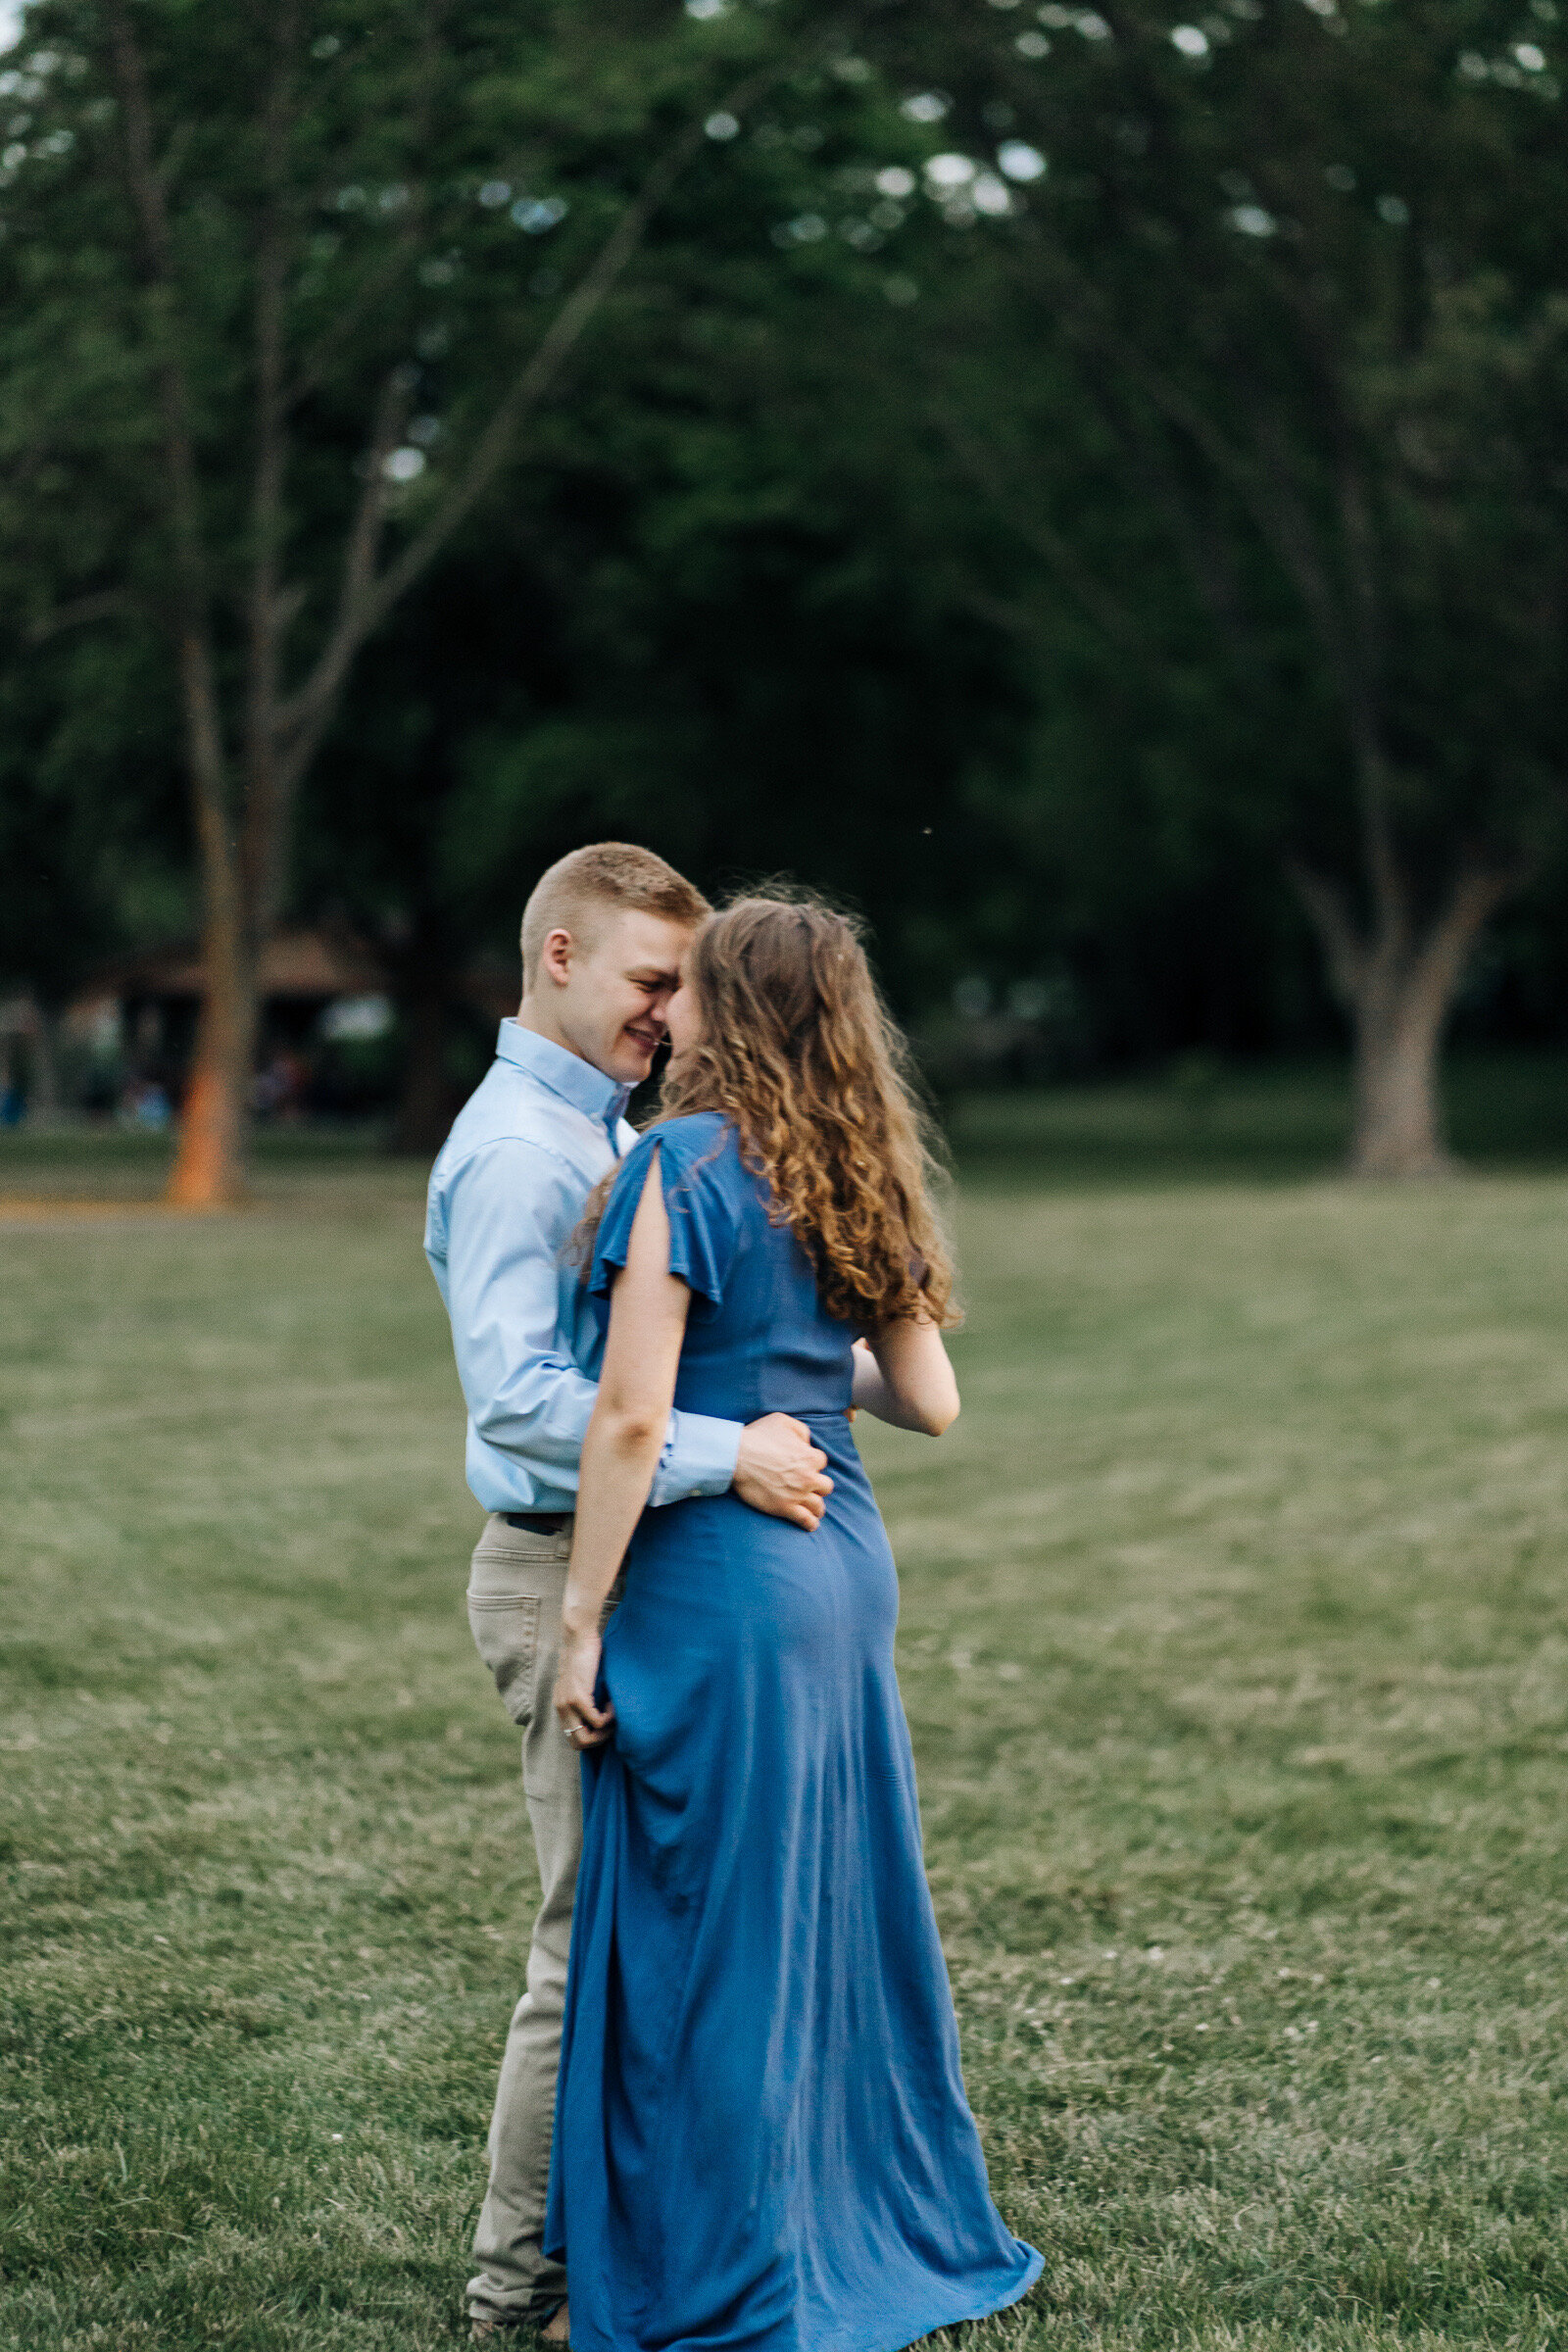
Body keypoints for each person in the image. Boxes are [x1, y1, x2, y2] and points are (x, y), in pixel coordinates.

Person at [546, 892, 1043, 2352]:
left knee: (712, 1938)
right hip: (842, 1563)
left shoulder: (678, 1169)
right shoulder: (856, 1167)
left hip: (724, 1587)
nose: (668, 1011)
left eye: (688, 987)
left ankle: (734, 2267)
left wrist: (582, 1625)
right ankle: (855, 2220)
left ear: (729, 1010)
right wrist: (805, 1379)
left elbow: (633, 1417)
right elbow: (934, 1403)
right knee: (826, 1916)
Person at [424, 846, 836, 2343]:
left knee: (642, 1930)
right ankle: (515, 2282)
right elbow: (528, 1401)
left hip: (641, 1565)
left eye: (685, 987)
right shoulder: (524, 1152)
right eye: (654, 982)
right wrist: (734, 1451)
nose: (673, 1014)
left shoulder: (613, 1130)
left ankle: (619, 2252)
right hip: (551, 1569)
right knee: (582, 1934)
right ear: (559, 960)